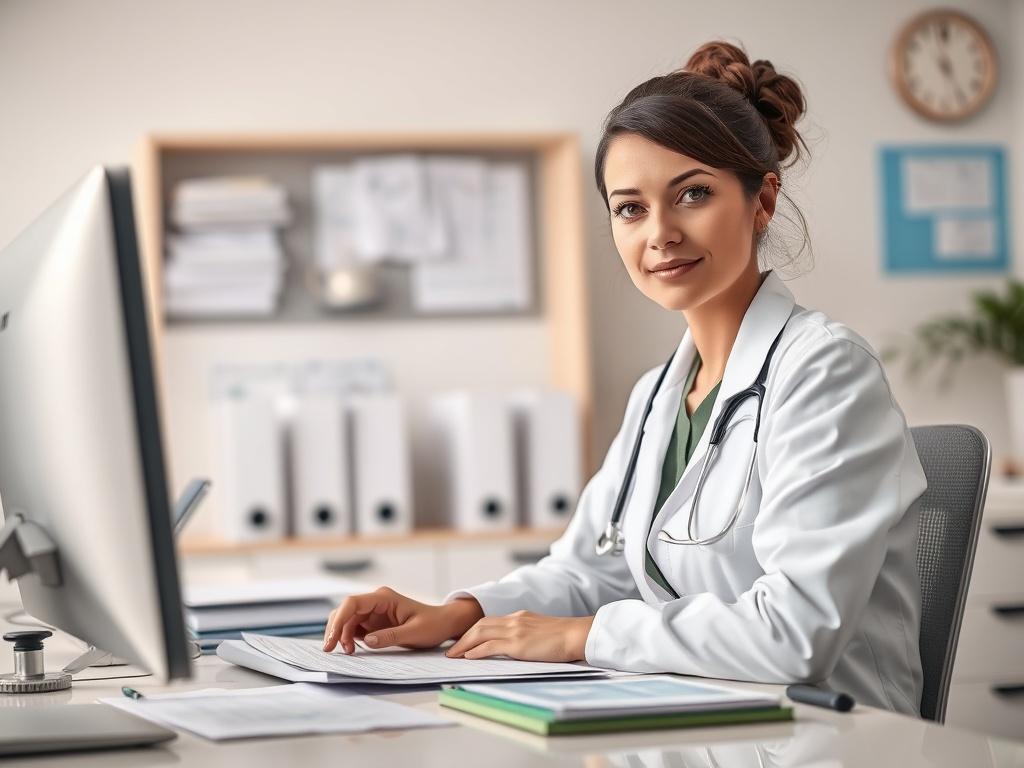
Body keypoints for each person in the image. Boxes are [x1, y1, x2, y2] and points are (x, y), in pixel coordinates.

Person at [322, 40, 928, 715]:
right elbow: (593, 569)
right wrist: (457, 612)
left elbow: (796, 631)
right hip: (705, 720)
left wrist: (583, 637)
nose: (660, 234)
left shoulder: (824, 373)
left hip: (836, 736)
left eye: (692, 194)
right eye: (630, 208)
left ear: (763, 200)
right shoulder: (657, 395)